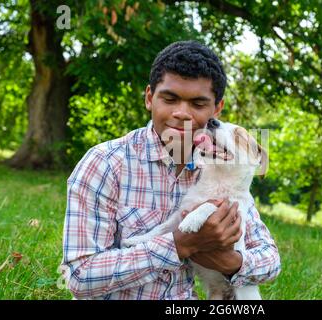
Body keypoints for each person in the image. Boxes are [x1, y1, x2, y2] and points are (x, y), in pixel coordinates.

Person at [60, 40, 281, 300]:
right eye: (170, 98)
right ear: (150, 98)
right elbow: (79, 277)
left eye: (198, 104)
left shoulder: (221, 169)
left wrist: (230, 262)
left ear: (216, 110)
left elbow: (271, 261)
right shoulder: (105, 163)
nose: (182, 113)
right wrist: (180, 244)